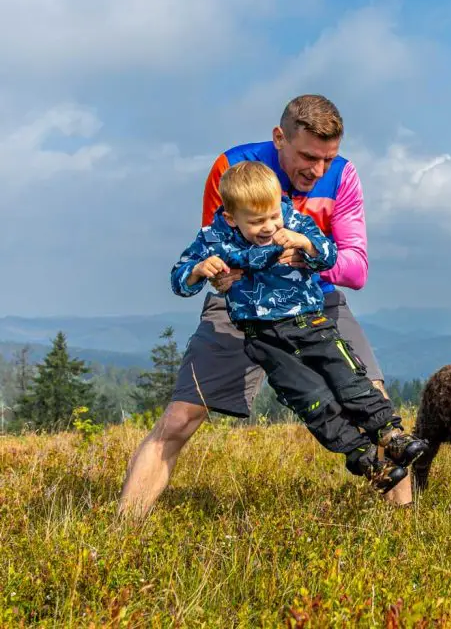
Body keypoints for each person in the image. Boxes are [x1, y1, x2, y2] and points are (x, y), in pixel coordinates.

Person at [118, 94, 408, 518]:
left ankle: (406, 530)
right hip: (243, 308)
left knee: (372, 397)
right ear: (279, 138)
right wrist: (220, 272)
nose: (318, 170)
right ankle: (120, 532)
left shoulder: (344, 176)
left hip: (314, 300)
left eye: (328, 158)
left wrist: (307, 256)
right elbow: (219, 246)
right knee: (181, 416)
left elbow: (355, 269)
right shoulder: (231, 167)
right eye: (308, 156)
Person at [170, 161, 427, 492]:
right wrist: (199, 270)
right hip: (264, 338)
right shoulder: (213, 238)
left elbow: (330, 255)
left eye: (273, 216)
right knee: (311, 400)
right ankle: (366, 461)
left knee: (349, 377)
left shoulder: (294, 223)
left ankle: (390, 434)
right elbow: (179, 280)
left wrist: (304, 244)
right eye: (257, 221)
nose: (269, 227)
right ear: (232, 217)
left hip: (311, 323)